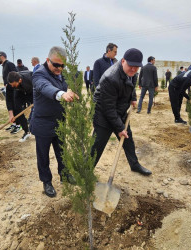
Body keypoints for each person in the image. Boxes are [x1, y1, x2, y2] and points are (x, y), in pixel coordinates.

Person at [91, 48, 152, 176]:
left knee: (128, 141)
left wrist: (133, 98)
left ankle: (134, 165)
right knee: (98, 145)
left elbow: (131, 87)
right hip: (104, 114)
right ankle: (86, 171)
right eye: (131, 66)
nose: (134, 69)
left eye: (137, 67)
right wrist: (119, 128)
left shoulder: (132, 73)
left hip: (120, 110)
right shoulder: (110, 78)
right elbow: (108, 108)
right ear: (123, 61)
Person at [30, 46, 78, 198]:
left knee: (62, 152)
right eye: (56, 65)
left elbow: (66, 84)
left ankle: (64, 175)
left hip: (59, 122)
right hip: (43, 124)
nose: (59, 68)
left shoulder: (60, 74)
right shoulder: (39, 74)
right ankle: (47, 182)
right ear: (47, 60)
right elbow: (46, 87)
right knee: (43, 156)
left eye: (63, 65)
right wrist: (61, 94)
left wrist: (70, 91)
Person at [0, 51, 21, 134]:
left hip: (13, 90)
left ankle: (18, 125)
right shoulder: (4, 65)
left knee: (15, 107)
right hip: (8, 90)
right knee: (10, 106)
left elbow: (16, 75)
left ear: (2, 56)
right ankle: (14, 123)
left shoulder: (9, 64)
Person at [7, 71, 33, 142]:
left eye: (14, 85)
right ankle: (27, 132)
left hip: (32, 91)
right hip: (19, 92)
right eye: (11, 85)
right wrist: (11, 114)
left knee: (38, 109)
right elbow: (9, 99)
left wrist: (37, 101)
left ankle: (39, 131)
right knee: (17, 109)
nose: (12, 86)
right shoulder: (10, 84)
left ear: (20, 80)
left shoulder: (30, 78)